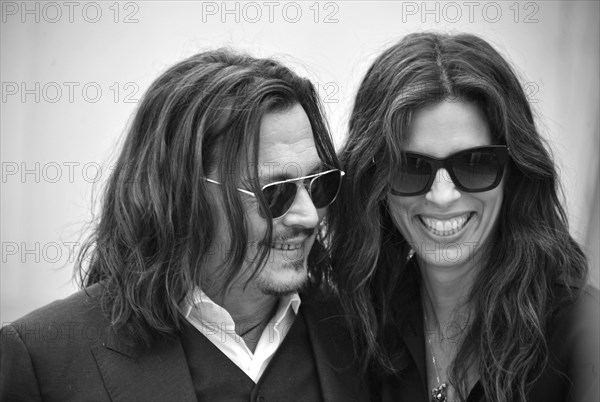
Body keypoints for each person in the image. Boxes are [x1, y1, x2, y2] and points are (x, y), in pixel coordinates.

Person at [0, 49, 370, 401]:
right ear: (182, 195)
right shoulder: (44, 357)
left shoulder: (361, 337)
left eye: (320, 184)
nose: (307, 216)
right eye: (274, 192)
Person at [329, 32, 600, 402]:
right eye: (410, 167)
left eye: (474, 164)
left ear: (514, 171)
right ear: (374, 182)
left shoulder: (582, 333)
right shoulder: (360, 323)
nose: (442, 196)